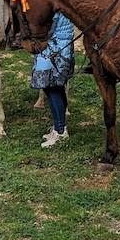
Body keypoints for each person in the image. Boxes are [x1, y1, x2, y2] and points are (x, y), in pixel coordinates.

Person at [31, 11, 75, 147]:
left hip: (55, 49)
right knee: (56, 88)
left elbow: (46, 26)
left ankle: (60, 130)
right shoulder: (61, 3)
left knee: (52, 89)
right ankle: (58, 127)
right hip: (58, 48)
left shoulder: (54, 8)